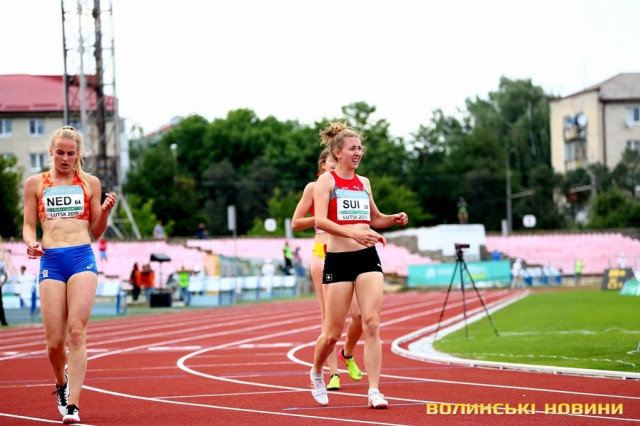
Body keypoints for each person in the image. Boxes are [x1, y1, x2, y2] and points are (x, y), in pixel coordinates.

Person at [309, 122, 409, 408]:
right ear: (338, 153)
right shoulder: (326, 182)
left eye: (360, 148)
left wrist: (393, 218)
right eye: (352, 148)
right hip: (338, 260)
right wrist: (353, 233)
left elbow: (374, 219)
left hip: (367, 258)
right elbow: (320, 221)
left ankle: (374, 390)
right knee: (332, 333)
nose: (358, 153)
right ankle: (316, 372)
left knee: (372, 323)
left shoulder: (364, 182)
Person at [22, 125, 116, 423]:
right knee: (54, 343)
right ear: (51, 151)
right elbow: (28, 225)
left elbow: (96, 231)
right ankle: (61, 384)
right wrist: (30, 243)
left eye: (71, 154)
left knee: (76, 332)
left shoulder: (90, 183)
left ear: (78, 154)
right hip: (51, 260)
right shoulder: (35, 183)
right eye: (60, 152)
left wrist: (105, 211)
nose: (65, 158)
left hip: (81, 259)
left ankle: (73, 405)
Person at [292, 147, 364, 391]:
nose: (336, 166)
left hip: (349, 252)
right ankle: (333, 374)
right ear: (322, 164)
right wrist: (322, 218)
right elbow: (296, 223)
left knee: (360, 316)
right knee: (329, 321)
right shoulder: (314, 188)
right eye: (332, 163)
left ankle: (348, 353)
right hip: (322, 252)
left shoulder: (349, 186)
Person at [0, 259, 8, 326]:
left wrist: (2, 284)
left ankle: (3, 322)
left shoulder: (1, 264)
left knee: (0, 305)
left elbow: (6, 275)